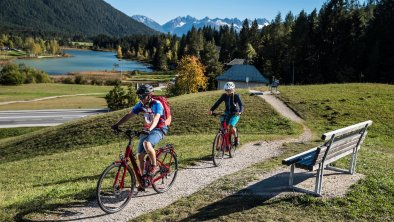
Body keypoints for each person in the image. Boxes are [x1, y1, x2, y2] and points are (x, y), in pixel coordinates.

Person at [112, 84, 168, 177]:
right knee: (139, 156)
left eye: (143, 96)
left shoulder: (157, 104)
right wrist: (117, 124)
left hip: (159, 129)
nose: (141, 98)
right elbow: (129, 115)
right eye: (139, 96)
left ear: (149, 96)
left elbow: (157, 118)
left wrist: (150, 129)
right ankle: (143, 180)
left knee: (147, 144)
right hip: (147, 129)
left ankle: (154, 166)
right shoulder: (141, 105)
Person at [208, 82, 244, 146]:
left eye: (229, 90)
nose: (228, 91)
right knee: (222, 128)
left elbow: (241, 105)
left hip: (235, 114)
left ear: (233, 89)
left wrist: (240, 112)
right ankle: (220, 145)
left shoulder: (236, 96)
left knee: (231, 126)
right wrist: (211, 110)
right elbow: (217, 103)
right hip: (227, 113)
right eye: (227, 90)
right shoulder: (224, 96)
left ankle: (236, 139)